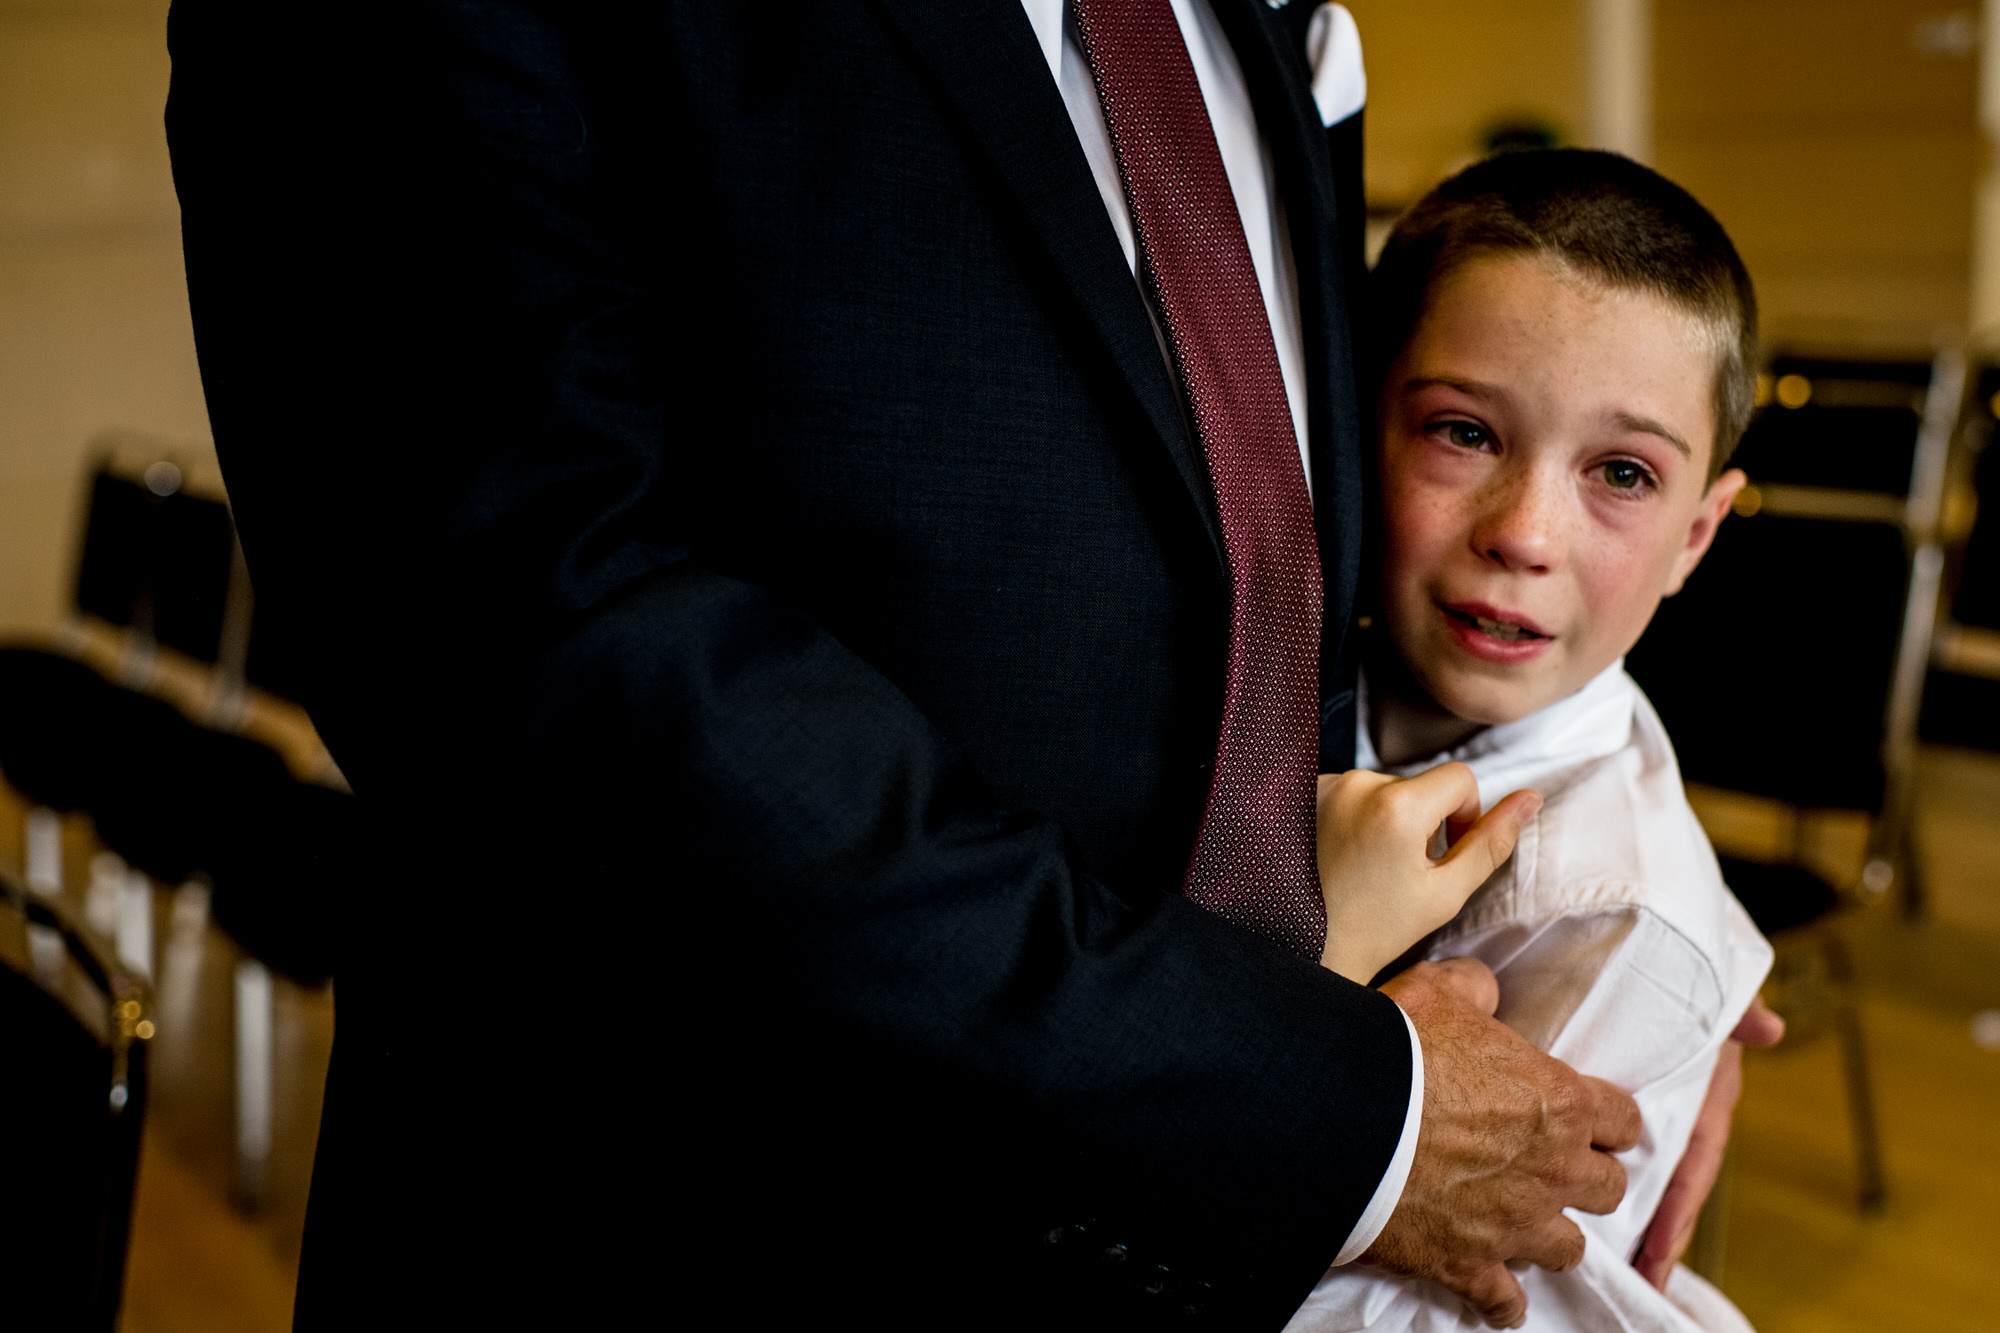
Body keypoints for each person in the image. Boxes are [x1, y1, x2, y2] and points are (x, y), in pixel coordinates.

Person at [164, 4, 1731, 1327]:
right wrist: (1343, 1111)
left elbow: (1293, 568)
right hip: (705, 1236)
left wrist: (1629, 949)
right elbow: (534, 637)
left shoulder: (1265, 23)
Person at [1291, 149, 1775, 1330]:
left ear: (1695, 536)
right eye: (1464, 433)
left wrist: (1315, 1003)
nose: (1523, 534)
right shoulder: (1315, 667)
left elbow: (1438, 1313)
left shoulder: (1607, 916)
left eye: (1620, 472)